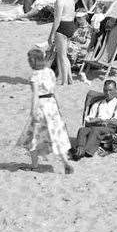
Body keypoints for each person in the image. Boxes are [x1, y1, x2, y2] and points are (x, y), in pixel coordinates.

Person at [16, 45, 71, 175]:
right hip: (52, 105)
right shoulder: (50, 72)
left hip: (41, 106)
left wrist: (32, 111)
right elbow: (54, 92)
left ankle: (34, 165)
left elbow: (35, 95)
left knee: (32, 136)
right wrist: (59, 107)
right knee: (55, 134)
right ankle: (65, 162)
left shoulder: (35, 75)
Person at [71, 79, 117, 159]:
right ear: (103, 90)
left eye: (110, 90)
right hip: (95, 125)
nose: (108, 93)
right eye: (105, 90)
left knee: (96, 130)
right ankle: (79, 149)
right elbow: (88, 120)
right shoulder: (98, 103)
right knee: (82, 130)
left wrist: (103, 121)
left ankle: (86, 151)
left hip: (110, 128)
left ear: (116, 90)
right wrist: (95, 120)